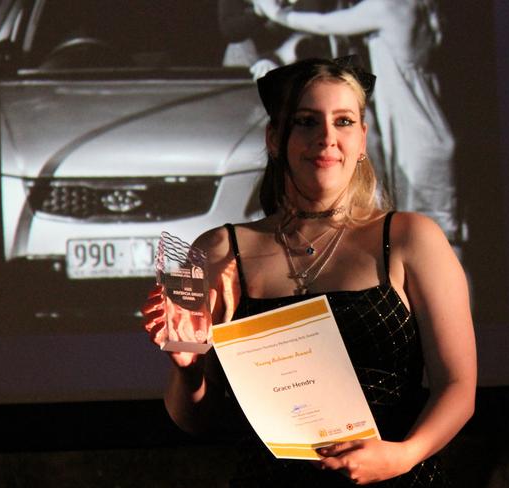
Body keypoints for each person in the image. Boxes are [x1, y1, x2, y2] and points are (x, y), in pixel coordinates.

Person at [142, 57, 476, 486]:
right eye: (306, 122)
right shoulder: (218, 252)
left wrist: (400, 457)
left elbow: (459, 387)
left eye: (343, 121)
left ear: (362, 140)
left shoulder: (412, 238)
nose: (326, 138)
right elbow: (197, 421)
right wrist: (187, 368)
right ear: (274, 138)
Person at [251, 0, 458, 242]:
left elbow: (323, 24)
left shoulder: (388, 7)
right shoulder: (417, 8)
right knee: (433, 239)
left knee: (432, 242)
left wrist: (275, 12)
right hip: (427, 132)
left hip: (415, 138)